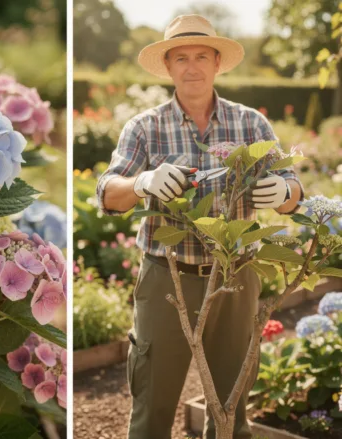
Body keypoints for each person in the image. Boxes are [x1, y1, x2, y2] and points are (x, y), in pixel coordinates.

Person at [95, 14, 305, 439]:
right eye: (181, 58)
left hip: (236, 275)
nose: (192, 67)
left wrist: (285, 192)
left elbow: (294, 187)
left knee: (230, 408)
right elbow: (106, 193)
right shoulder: (145, 127)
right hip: (167, 279)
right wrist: (141, 182)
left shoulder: (251, 124)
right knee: (152, 405)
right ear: (169, 67)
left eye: (202, 57)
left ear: (216, 63)